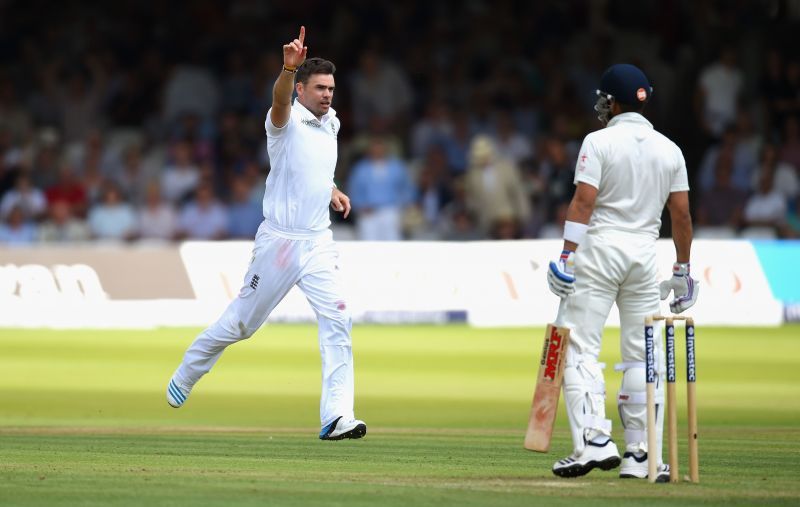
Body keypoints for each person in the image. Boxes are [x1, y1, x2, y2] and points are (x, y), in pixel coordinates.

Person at [166, 27, 366, 441]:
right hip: (279, 243)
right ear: (302, 91)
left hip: (318, 242)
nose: (328, 95)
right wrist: (288, 70)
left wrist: (331, 189)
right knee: (243, 325)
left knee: (339, 319)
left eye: (331, 88)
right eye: (320, 88)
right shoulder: (285, 119)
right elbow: (278, 100)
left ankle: (336, 417)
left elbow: (313, 168)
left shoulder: (332, 124)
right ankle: (188, 372)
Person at [545, 64, 698, 481]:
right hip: (644, 257)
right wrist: (683, 269)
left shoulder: (599, 140)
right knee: (643, 354)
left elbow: (583, 202)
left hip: (599, 252)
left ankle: (593, 442)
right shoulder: (670, 149)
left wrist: (565, 255)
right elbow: (681, 215)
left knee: (576, 346)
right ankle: (642, 454)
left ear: (610, 101)